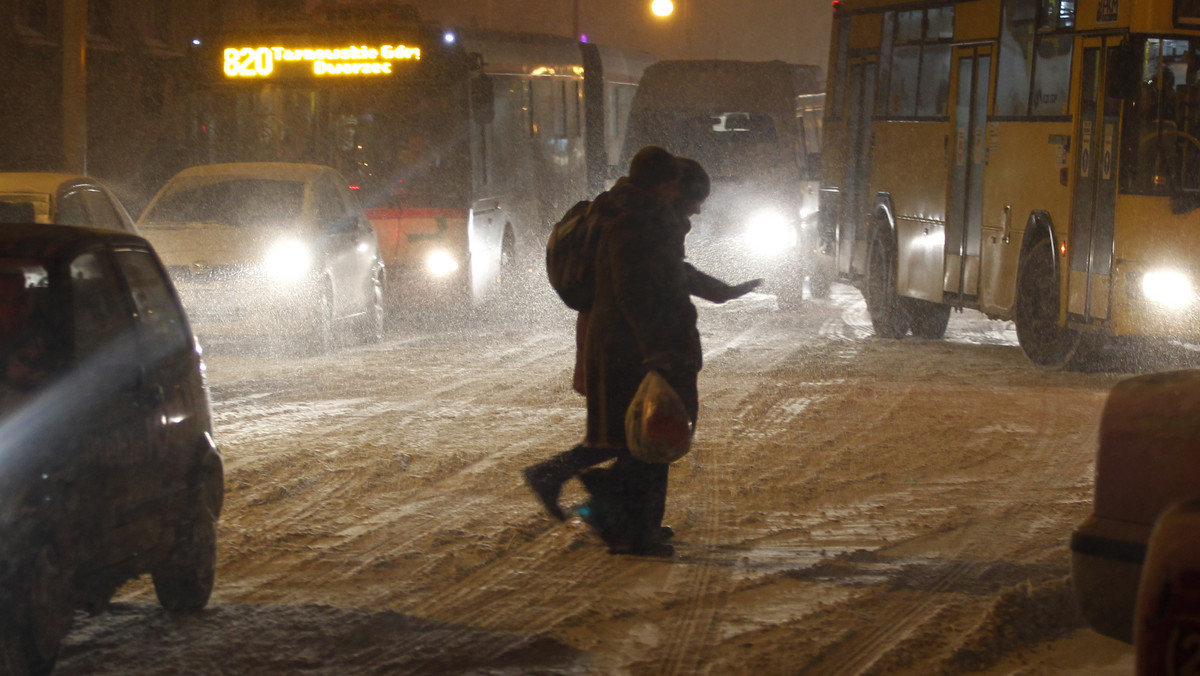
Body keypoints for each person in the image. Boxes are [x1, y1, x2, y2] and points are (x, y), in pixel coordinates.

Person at [525, 148, 756, 555]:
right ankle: (617, 520)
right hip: (631, 347)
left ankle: (627, 521)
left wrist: (719, 292)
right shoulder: (640, 222)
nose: (697, 211)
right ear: (668, 185)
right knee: (650, 439)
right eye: (692, 199)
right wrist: (657, 353)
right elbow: (635, 290)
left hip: (626, 343)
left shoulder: (640, 218)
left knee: (637, 440)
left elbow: (666, 273)